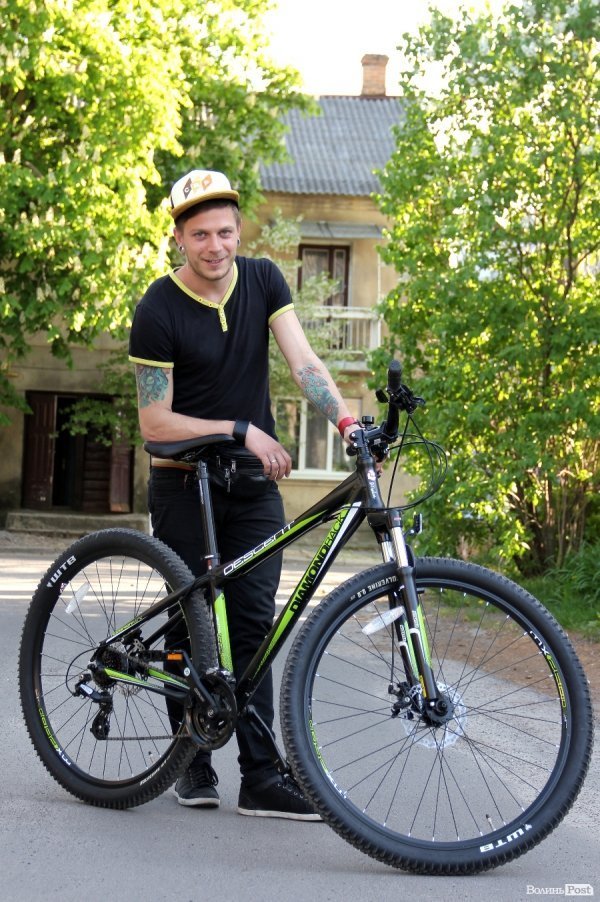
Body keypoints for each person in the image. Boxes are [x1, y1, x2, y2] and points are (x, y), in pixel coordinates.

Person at [129, 169, 359, 820]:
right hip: (184, 482)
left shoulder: (263, 282)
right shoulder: (157, 308)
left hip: (253, 486)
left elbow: (304, 362)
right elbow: (155, 423)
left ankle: (260, 776)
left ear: (239, 231)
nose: (216, 246)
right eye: (200, 234)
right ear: (178, 238)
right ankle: (191, 759)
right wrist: (237, 428)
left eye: (225, 232)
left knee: (256, 625)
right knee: (192, 623)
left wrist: (346, 422)